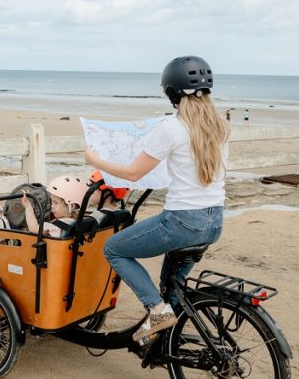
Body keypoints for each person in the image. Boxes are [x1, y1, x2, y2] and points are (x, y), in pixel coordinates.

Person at [85, 55, 229, 343]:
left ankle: (157, 312)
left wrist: (97, 160)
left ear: (172, 93)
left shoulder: (171, 127)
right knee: (171, 287)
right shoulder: (221, 125)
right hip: (214, 221)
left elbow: (134, 173)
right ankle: (165, 342)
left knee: (114, 249)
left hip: (182, 222)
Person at [21, 175, 89, 237]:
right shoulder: (82, 222)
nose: (52, 206)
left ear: (71, 206)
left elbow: (34, 228)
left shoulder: (56, 226)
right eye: (52, 202)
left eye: (56, 203)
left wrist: (28, 206)